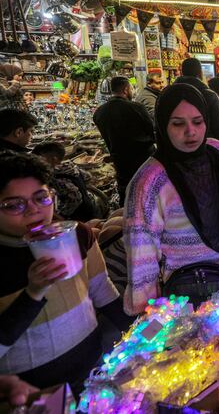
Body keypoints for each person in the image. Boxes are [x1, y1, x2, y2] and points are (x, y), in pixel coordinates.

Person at [122, 84, 219, 315]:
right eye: (178, 123)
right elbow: (140, 251)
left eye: (197, 121)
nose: (191, 132)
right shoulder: (149, 181)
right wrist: (149, 315)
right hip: (188, 293)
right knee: (196, 348)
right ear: (163, 125)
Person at [0, 152, 130, 389]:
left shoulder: (77, 235)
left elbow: (102, 291)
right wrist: (33, 293)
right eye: (14, 205)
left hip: (93, 373)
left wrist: (145, 332)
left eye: (41, 198)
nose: (33, 211)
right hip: (33, 394)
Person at [92, 76, 156, 204]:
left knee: (127, 197)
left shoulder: (99, 112)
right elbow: (152, 130)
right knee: (148, 196)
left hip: (120, 163)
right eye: (131, 88)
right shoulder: (136, 107)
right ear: (126, 89)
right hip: (143, 161)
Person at [31, 142, 97, 222]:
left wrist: (62, 214)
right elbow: (87, 177)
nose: (37, 163)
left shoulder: (57, 177)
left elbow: (75, 198)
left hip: (80, 217)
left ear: (53, 159)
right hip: (89, 207)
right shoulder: (69, 166)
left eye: (40, 159)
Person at [175, 58, 219, 146]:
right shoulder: (209, 95)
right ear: (200, 72)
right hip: (205, 147)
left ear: (182, 72)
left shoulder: (168, 94)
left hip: (177, 146)